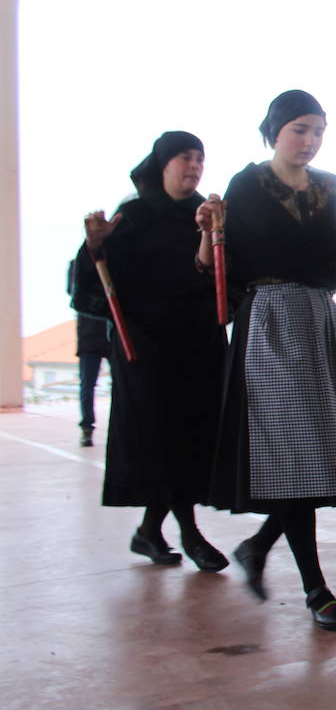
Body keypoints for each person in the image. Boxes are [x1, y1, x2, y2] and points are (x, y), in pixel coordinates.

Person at [203, 90, 336, 630]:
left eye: (318, 131)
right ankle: (315, 587)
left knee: (313, 451)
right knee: (294, 453)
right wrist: (208, 236)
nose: (310, 141)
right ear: (274, 131)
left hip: (318, 320)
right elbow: (220, 267)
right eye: (300, 129)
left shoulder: (330, 187)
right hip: (269, 323)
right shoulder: (245, 187)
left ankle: (262, 545)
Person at [73, 132, 228, 571]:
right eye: (185, 158)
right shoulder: (134, 215)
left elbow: (219, 274)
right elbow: (95, 280)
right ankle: (190, 535)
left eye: (200, 159)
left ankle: (148, 532)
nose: (194, 166)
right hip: (146, 347)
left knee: (190, 439)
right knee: (161, 438)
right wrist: (96, 246)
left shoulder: (208, 216)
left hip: (197, 344)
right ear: (162, 165)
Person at [67, 259, 111, 447]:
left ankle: (120, 425)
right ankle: (87, 428)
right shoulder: (78, 264)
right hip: (88, 335)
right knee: (87, 385)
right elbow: (74, 292)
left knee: (121, 382)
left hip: (111, 333)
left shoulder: (114, 259)